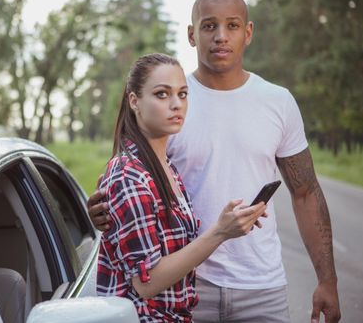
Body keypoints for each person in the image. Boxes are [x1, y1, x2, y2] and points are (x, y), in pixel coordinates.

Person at [88, 0, 341, 323]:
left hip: (261, 285)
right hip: (187, 287)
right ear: (192, 34)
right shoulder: (167, 102)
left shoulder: (277, 102)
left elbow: (306, 191)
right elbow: (131, 189)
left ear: (248, 33)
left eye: (232, 25)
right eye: (209, 26)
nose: (221, 36)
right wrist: (103, 212)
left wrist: (327, 280)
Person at [96, 53, 267, 322]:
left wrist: (231, 222)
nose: (177, 104)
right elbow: (147, 282)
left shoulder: (167, 167)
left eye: (183, 94)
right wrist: (220, 232)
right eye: (162, 94)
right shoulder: (129, 176)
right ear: (134, 101)